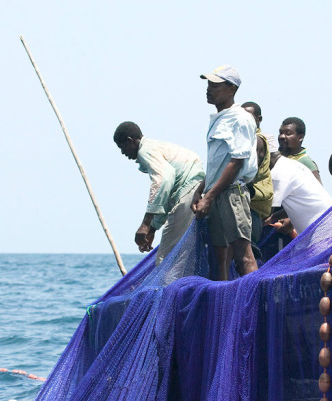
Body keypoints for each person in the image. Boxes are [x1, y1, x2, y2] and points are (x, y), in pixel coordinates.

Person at [191, 66, 259, 280]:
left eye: (215, 86)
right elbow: (218, 163)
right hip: (216, 193)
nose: (209, 90)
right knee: (220, 257)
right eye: (208, 85)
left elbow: (236, 162)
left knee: (242, 256)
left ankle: (254, 304)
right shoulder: (220, 118)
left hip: (231, 193)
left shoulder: (239, 118)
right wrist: (201, 190)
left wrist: (209, 197)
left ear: (231, 89)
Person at [114, 121, 204, 265]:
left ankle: (167, 287)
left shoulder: (145, 151)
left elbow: (164, 179)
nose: (123, 153)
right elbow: (167, 193)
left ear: (130, 141)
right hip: (197, 192)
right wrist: (153, 228)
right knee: (187, 254)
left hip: (188, 195)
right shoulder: (156, 146)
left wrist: (145, 223)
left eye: (122, 147)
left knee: (166, 260)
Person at [264, 152, 332, 235]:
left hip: (323, 231)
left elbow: (265, 213)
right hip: (330, 224)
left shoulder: (278, 174)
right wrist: (273, 218)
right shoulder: (291, 164)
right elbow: (304, 203)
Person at [240, 101, 274, 244]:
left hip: (252, 208)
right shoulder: (243, 141)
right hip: (245, 206)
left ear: (258, 120)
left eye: (249, 117)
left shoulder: (257, 141)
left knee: (246, 257)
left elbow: (248, 174)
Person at [278, 117, 322, 183]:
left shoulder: (305, 162)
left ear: (300, 137)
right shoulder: (274, 157)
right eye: (281, 133)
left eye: (288, 133)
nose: (282, 136)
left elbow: (318, 191)